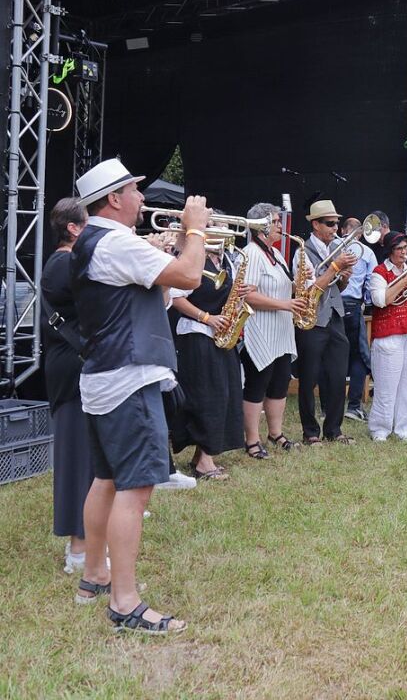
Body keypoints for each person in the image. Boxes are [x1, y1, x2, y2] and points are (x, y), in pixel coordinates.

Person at [71, 157, 210, 633]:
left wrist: (161, 247)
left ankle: (94, 575)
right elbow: (190, 277)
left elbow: (154, 287)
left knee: (107, 479)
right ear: (113, 198)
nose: (143, 199)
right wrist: (194, 231)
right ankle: (126, 603)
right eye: (135, 190)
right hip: (129, 378)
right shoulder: (114, 243)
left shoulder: (97, 242)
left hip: (105, 376)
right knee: (136, 487)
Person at [169, 236, 249, 479]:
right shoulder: (192, 259)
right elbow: (175, 298)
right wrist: (207, 318)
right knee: (208, 395)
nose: (225, 236)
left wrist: (239, 296)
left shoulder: (227, 260)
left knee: (225, 393)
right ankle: (205, 462)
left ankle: (201, 456)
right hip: (197, 333)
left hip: (221, 334)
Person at [41, 199, 91, 573]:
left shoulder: (69, 262)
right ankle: (78, 549)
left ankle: (90, 535)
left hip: (78, 366)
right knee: (76, 458)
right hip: (71, 369)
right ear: (73, 229)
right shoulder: (63, 264)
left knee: (89, 457)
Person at [239, 203, 305, 457]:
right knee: (257, 385)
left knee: (279, 383)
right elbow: (249, 296)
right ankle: (252, 441)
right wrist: (285, 304)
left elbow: (284, 288)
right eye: (276, 221)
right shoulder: (252, 253)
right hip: (259, 330)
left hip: (280, 330)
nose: (281, 226)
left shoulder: (275, 254)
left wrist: (300, 282)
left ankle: (275, 433)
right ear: (262, 226)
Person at [292, 200, 357, 444]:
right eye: (330, 223)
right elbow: (309, 290)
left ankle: (334, 429)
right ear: (315, 224)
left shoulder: (335, 249)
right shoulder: (302, 252)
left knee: (338, 375)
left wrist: (344, 277)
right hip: (312, 320)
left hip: (335, 317)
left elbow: (336, 287)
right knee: (309, 378)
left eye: (337, 223)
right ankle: (310, 432)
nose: (335, 228)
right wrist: (335, 268)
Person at [367, 231, 407, 441]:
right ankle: (380, 429)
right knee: (386, 384)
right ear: (389, 251)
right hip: (389, 333)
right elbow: (380, 300)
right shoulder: (380, 272)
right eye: (399, 249)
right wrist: (405, 282)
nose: (404, 253)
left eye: (406, 248)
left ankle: (404, 428)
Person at [341, 216, 376, 423]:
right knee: (360, 357)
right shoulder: (367, 252)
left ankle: (329, 406)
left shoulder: (332, 246)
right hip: (353, 306)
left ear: (343, 229)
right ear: (360, 233)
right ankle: (354, 406)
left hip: (331, 305)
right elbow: (371, 282)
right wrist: (369, 302)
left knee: (332, 356)